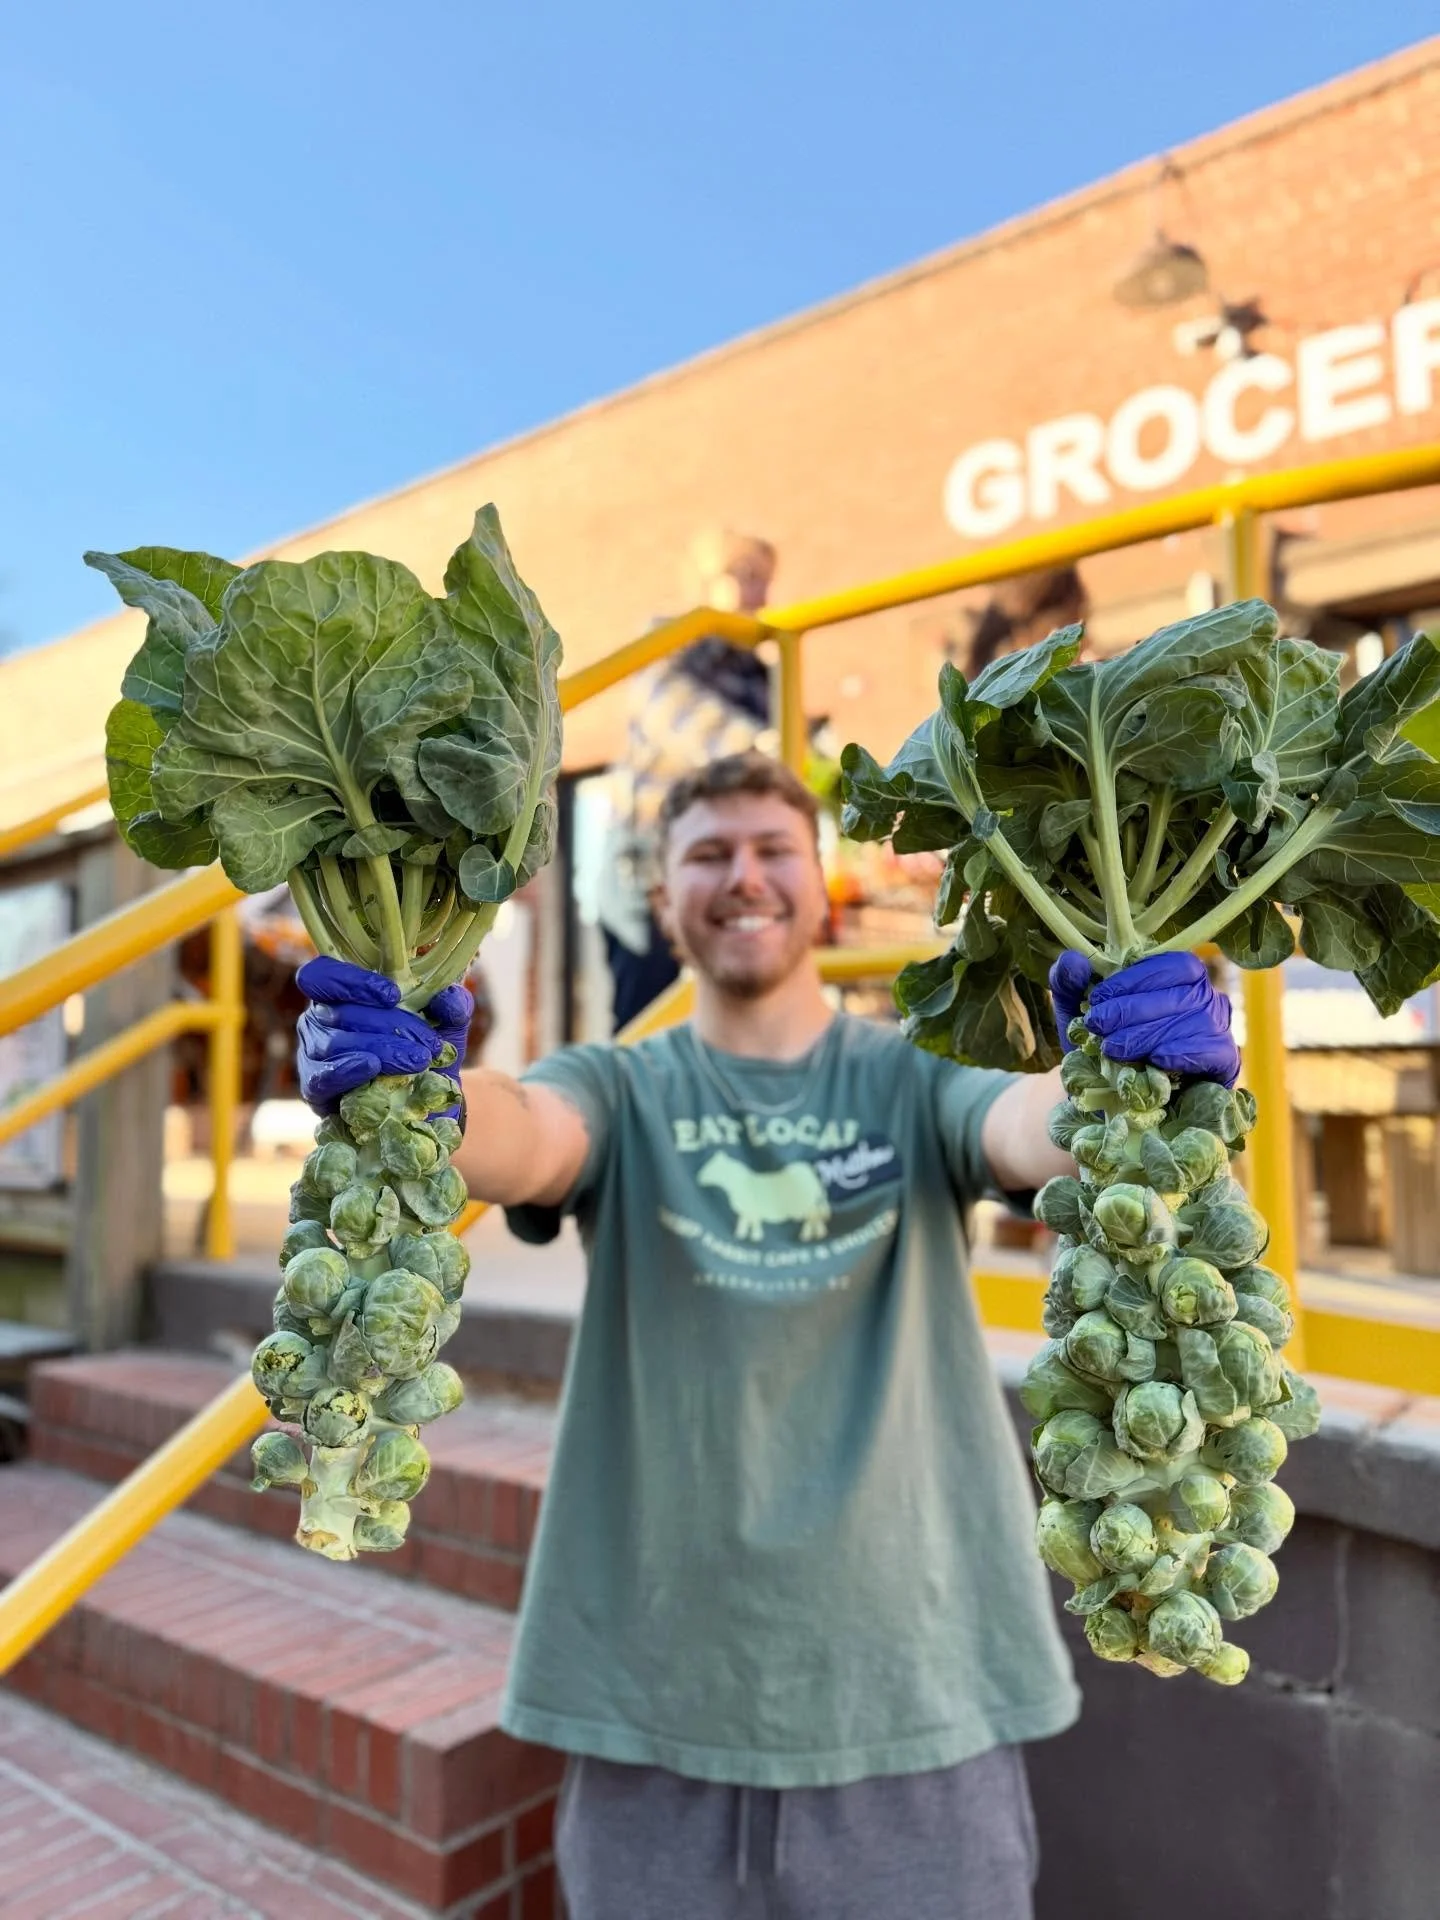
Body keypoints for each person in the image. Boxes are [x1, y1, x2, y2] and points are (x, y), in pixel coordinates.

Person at [296, 751, 1239, 1920]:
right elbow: (528, 1132)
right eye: (708, 854)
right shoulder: (622, 1085)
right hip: (654, 1700)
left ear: (819, 882)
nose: (744, 877)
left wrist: (1120, 1068)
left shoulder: (913, 1073)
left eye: (772, 849)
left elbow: (1021, 1129)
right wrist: (427, 1090)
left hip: (915, 1690)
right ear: (663, 900)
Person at [597, 530, 777, 1031]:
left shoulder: (763, 674)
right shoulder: (671, 640)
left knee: (719, 1008)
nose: (755, 593)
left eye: (763, 581)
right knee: (646, 1008)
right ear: (703, 584)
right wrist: (760, 748)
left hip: (717, 860)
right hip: (647, 851)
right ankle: (627, 1105)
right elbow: (672, 710)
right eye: (740, 577)